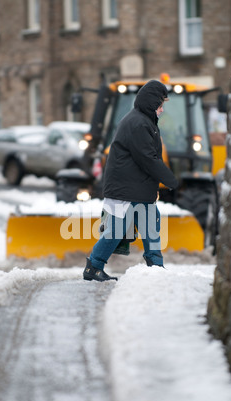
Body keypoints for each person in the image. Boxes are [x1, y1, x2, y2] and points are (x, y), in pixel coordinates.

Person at [83, 80, 178, 282]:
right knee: (117, 230)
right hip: (126, 189)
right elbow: (147, 158)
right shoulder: (139, 123)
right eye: (160, 104)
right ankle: (94, 266)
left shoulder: (144, 121)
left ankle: (156, 267)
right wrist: (170, 179)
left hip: (137, 188)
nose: (162, 109)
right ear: (152, 103)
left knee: (151, 224)